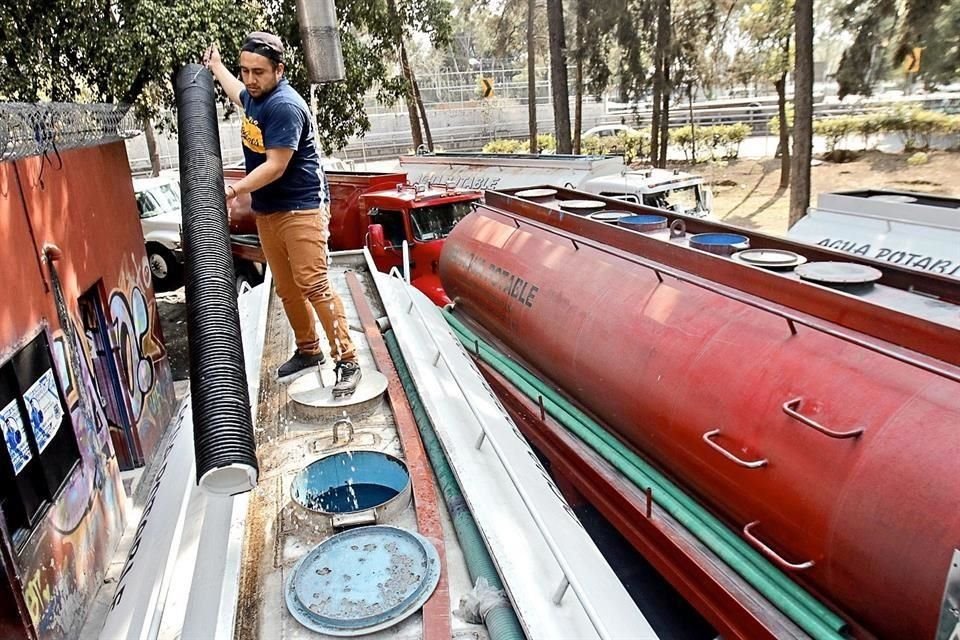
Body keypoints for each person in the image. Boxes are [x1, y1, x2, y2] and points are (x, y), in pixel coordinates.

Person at [205, 32, 362, 396]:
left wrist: (232, 189)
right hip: (269, 211)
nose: (249, 79)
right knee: (287, 288)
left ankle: (348, 360)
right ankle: (309, 350)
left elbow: (276, 166)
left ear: (279, 70)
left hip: (301, 208)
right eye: (244, 71)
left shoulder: (284, 106)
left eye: (257, 72)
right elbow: (238, 93)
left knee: (314, 285)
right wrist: (216, 67)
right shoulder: (255, 97)